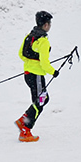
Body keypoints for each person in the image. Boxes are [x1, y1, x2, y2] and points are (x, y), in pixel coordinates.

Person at [14, 11, 59, 143]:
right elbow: (45, 63)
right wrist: (53, 72)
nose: (50, 26)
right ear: (45, 25)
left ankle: (23, 120)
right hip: (37, 76)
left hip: (28, 75)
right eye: (49, 23)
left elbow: (21, 54)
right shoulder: (43, 41)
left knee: (40, 100)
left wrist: (31, 62)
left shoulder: (30, 36)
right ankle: (25, 129)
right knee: (41, 101)